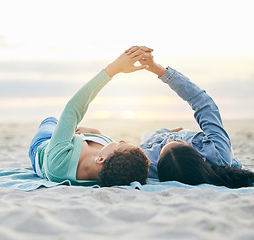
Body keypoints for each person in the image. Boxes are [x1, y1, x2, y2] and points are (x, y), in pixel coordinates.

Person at [125, 46, 254, 189]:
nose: (170, 139)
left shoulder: (149, 164)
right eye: (180, 142)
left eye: (164, 147)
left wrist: (163, 136)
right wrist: (158, 69)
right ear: (197, 155)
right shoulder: (219, 155)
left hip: (152, 138)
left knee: (147, 135)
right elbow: (203, 103)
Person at [29, 47, 152, 187]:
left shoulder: (58, 165)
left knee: (50, 120)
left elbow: (73, 108)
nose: (121, 140)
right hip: (77, 139)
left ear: (100, 160)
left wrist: (113, 69)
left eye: (120, 143)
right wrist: (96, 133)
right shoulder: (112, 167)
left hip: (44, 145)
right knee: (69, 126)